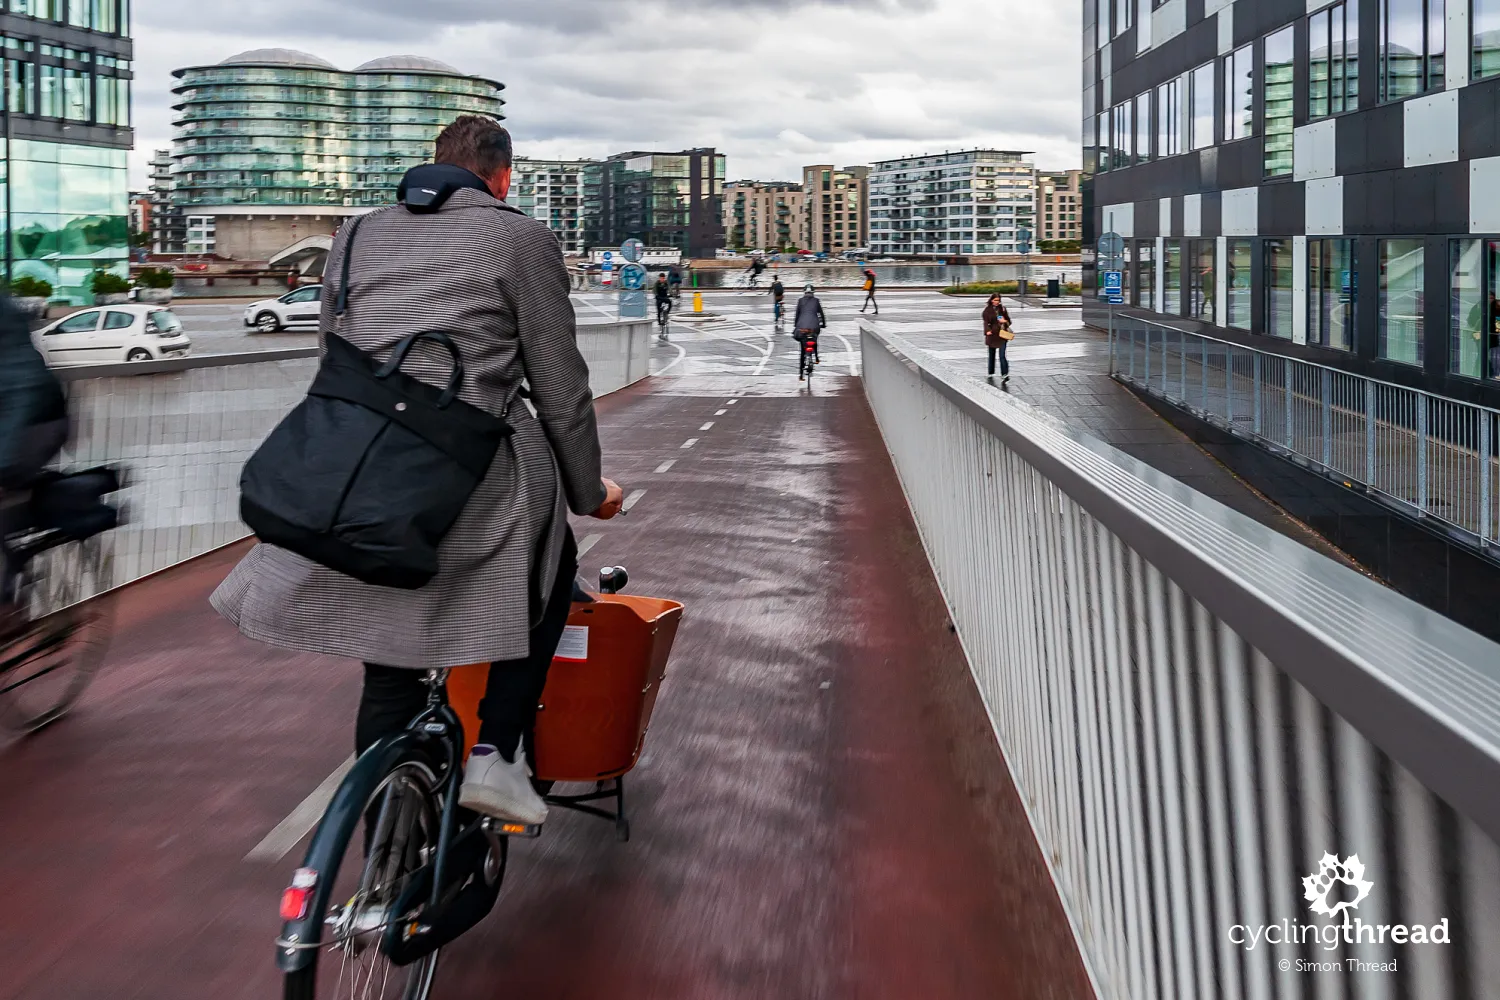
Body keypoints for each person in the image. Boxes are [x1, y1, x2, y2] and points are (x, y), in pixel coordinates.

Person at [211, 115, 625, 827]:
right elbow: (560, 388)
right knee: (550, 580)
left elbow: (333, 352)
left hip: (366, 469)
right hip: (475, 474)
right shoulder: (520, 236)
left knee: (389, 650)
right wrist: (588, 492)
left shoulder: (358, 232)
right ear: (501, 178)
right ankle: (498, 755)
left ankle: (379, 849)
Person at [0, 294, 69, 635]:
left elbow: (20, 388)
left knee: (4, 495)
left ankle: (9, 602)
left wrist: (6, 463)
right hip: (8, 419)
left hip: (38, 421)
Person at [793, 283, 825, 380]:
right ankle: (816, 357)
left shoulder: (800, 301)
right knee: (815, 338)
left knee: (803, 351)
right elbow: (821, 314)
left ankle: (801, 375)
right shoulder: (816, 301)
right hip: (814, 327)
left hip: (802, 327)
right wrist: (823, 324)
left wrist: (796, 325)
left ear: (804, 292)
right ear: (813, 292)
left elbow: (797, 315)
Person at [983, 293, 1013, 383]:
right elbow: (985, 322)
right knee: (991, 355)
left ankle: (1005, 374)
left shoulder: (1002, 309)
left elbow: (1009, 321)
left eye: (998, 300)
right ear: (991, 300)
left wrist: (1005, 321)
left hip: (1002, 335)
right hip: (992, 335)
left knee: (1002, 355)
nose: (997, 302)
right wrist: (987, 331)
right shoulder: (987, 311)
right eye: (995, 300)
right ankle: (991, 372)